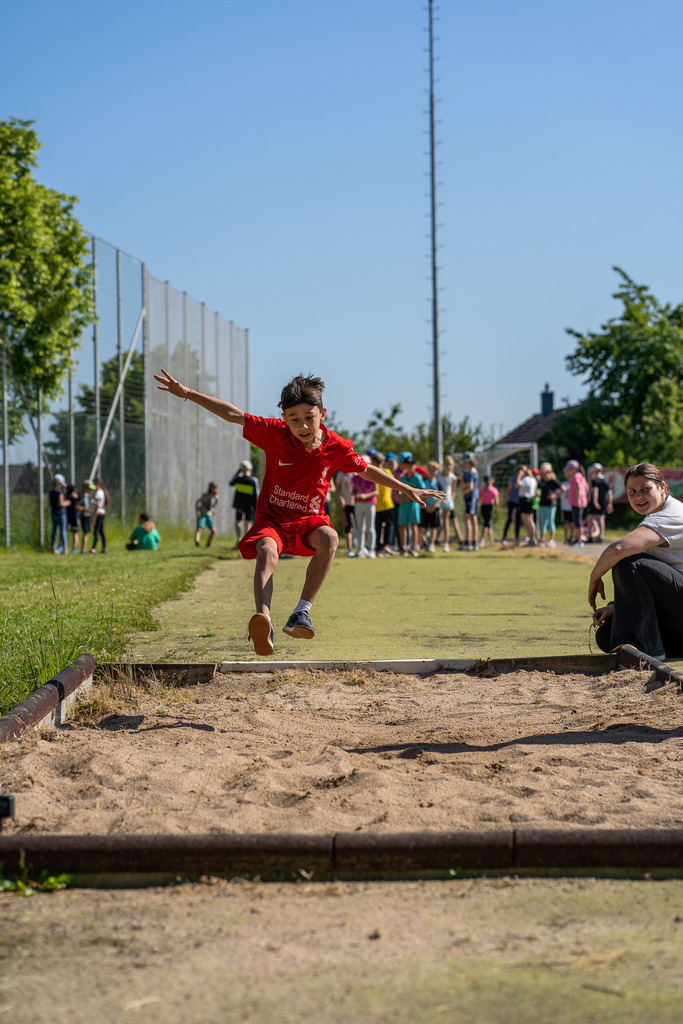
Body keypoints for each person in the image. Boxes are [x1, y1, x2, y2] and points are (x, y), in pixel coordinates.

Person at [154, 368, 443, 655]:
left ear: (322, 414)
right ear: (284, 419)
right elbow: (233, 414)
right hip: (273, 519)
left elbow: (365, 469)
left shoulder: (335, 446)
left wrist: (406, 488)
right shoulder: (274, 434)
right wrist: (188, 393)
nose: (302, 426)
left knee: (330, 538)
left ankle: (301, 613)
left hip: (309, 522)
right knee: (267, 550)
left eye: (309, 417)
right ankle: (263, 620)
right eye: (294, 419)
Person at [589, 462, 683, 660]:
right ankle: (659, 648)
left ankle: (646, 653)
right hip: (675, 610)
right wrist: (616, 606)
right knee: (608, 635)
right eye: (632, 491)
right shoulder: (654, 517)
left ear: (662, 487)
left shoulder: (671, 514)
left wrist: (594, 578)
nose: (638, 496)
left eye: (645, 489)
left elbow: (618, 549)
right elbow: (651, 578)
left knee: (628, 562)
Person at [396, 452, 424, 556]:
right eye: (408, 464)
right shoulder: (403, 478)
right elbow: (398, 489)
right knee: (402, 525)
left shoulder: (417, 478)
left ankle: (414, 547)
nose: (410, 466)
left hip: (413, 504)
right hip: (403, 505)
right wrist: (400, 496)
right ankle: (403, 548)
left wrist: (409, 497)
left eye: (412, 464)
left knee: (414, 525)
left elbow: (422, 491)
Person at [353, 455, 378, 558]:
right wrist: (357, 495)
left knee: (370, 528)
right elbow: (353, 491)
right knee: (360, 528)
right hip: (358, 504)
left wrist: (365, 496)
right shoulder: (355, 477)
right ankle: (360, 550)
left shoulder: (373, 476)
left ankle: (372, 550)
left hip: (370, 504)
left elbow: (376, 491)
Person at [436, 455, 462, 552]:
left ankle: (446, 543)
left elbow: (453, 491)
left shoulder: (453, 478)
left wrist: (451, 500)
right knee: (439, 522)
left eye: (450, 464)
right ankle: (434, 540)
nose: (448, 466)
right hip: (437, 501)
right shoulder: (438, 475)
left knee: (446, 522)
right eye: (446, 464)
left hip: (447, 502)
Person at [229, 461, 259, 543]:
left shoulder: (238, 479)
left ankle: (239, 539)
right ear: (250, 469)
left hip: (240, 505)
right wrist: (256, 506)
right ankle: (245, 541)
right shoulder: (253, 480)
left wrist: (238, 471)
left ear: (241, 469)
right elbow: (256, 494)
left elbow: (231, 483)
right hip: (249, 505)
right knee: (248, 522)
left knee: (238, 521)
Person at [586, 463, 613, 543]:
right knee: (601, 518)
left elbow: (595, 491)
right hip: (603, 502)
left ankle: (590, 537)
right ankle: (601, 536)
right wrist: (610, 503)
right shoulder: (604, 480)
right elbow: (609, 493)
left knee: (590, 517)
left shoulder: (594, 480)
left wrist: (595, 501)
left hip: (595, 502)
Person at [565, 459, 589, 545]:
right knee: (577, 521)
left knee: (577, 522)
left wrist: (578, 499)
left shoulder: (576, 476)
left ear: (573, 469)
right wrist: (584, 497)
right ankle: (577, 539)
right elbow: (586, 487)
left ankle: (578, 540)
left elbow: (578, 486)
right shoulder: (581, 476)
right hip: (579, 501)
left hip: (576, 502)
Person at [537, 462, 561, 547]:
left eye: (545, 473)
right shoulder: (541, 482)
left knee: (551, 521)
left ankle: (551, 540)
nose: (543, 475)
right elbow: (537, 490)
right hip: (542, 504)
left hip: (551, 505)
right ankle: (542, 540)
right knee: (543, 523)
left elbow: (563, 489)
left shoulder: (553, 481)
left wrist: (556, 496)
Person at [461, 452, 479, 550]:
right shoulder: (468, 472)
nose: (464, 463)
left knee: (468, 518)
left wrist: (463, 491)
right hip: (471, 497)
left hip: (471, 497)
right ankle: (473, 542)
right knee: (472, 518)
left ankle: (469, 542)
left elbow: (470, 486)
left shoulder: (471, 472)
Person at [48, 474, 70, 554]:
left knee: (54, 531)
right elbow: (61, 504)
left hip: (53, 512)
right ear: (58, 483)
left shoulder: (51, 492)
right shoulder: (59, 493)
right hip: (61, 513)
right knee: (63, 531)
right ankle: (65, 549)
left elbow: (49, 504)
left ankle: (53, 548)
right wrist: (67, 502)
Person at [517, 465, 538, 546]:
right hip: (530, 500)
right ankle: (533, 539)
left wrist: (519, 476)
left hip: (525, 500)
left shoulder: (525, 479)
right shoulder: (533, 479)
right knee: (530, 520)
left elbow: (517, 485)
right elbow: (535, 493)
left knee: (527, 520)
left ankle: (532, 540)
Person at [501, 466, 522, 547]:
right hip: (512, 501)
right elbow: (510, 488)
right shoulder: (514, 478)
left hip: (520, 502)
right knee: (510, 518)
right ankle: (504, 538)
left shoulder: (524, 479)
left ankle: (517, 539)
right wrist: (505, 500)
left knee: (518, 521)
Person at [478, 475, 499, 547]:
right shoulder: (493, 490)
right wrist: (496, 509)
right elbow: (497, 501)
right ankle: (482, 540)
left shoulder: (482, 490)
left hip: (483, 507)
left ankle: (491, 540)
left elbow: (479, 499)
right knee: (486, 524)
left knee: (488, 524)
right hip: (489, 507)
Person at [195, 482, 219, 547]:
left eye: (215, 487)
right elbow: (197, 503)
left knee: (213, 530)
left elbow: (214, 507)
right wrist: (197, 511)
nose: (214, 489)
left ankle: (208, 543)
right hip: (202, 513)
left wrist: (214, 516)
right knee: (199, 528)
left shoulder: (216, 497)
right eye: (213, 487)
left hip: (209, 515)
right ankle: (197, 542)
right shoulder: (205, 495)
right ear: (210, 488)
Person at [90, 477, 109, 553]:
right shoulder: (101, 492)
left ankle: (93, 548)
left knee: (96, 531)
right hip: (102, 512)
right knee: (101, 531)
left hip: (99, 513)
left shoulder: (98, 492)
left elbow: (97, 506)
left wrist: (94, 518)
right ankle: (104, 548)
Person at [78, 481, 95, 554]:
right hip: (84, 516)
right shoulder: (80, 496)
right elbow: (77, 506)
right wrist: (85, 509)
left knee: (87, 533)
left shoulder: (86, 496)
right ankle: (83, 550)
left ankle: (83, 549)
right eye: (89, 488)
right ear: (85, 487)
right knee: (86, 532)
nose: (90, 490)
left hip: (87, 516)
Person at [65, 482, 80, 554]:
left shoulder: (76, 497)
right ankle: (61, 546)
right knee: (64, 531)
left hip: (74, 517)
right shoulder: (66, 496)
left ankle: (74, 548)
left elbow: (78, 506)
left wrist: (75, 497)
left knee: (75, 532)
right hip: (67, 516)